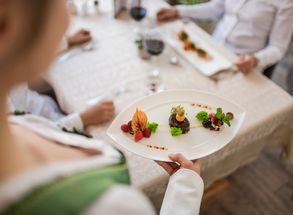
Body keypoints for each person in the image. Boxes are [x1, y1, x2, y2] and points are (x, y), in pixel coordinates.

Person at [0, 1, 204, 215]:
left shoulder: (11, 115)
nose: (70, 9)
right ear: (7, 23)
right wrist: (186, 187)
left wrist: (66, 41)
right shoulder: (111, 206)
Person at [157, 0, 293, 77]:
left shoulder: (286, 3)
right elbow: (214, 8)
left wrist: (255, 59)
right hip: (212, 49)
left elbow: (278, 48)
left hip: (240, 64)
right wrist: (179, 11)